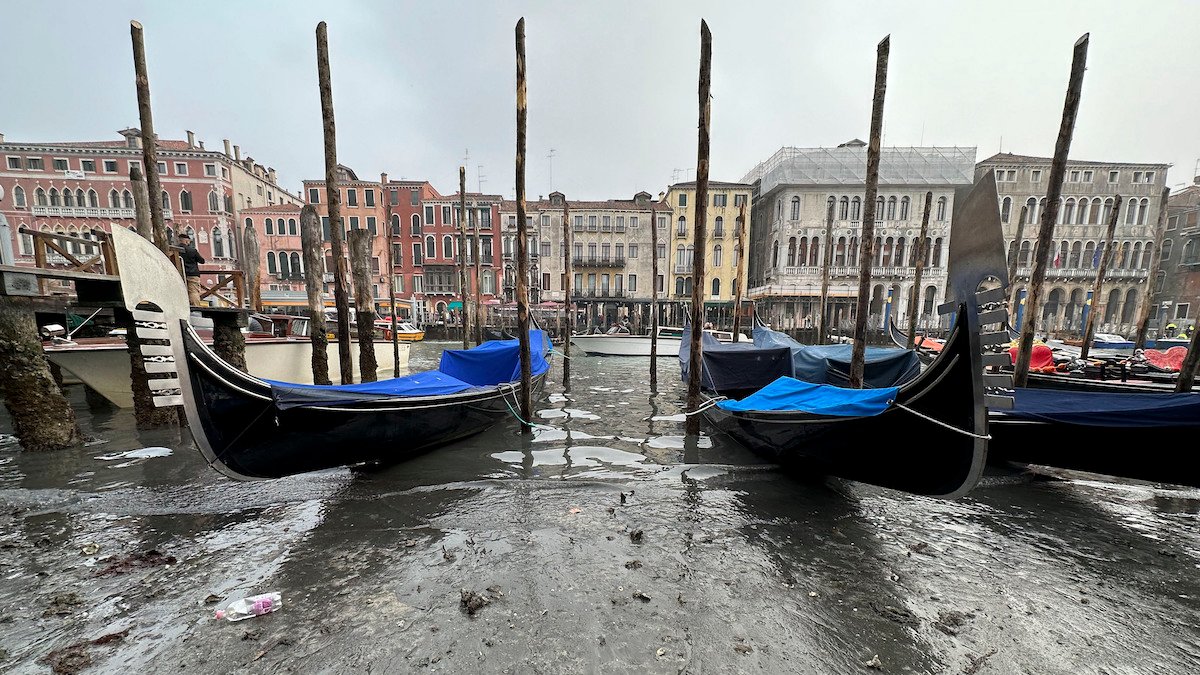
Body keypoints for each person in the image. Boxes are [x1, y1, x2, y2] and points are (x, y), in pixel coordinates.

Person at [177, 233, 205, 306]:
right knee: (193, 292)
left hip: (179, 274)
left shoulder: (175, 250)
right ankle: (196, 308)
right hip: (192, 274)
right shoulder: (192, 250)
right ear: (187, 241)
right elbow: (202, 261)